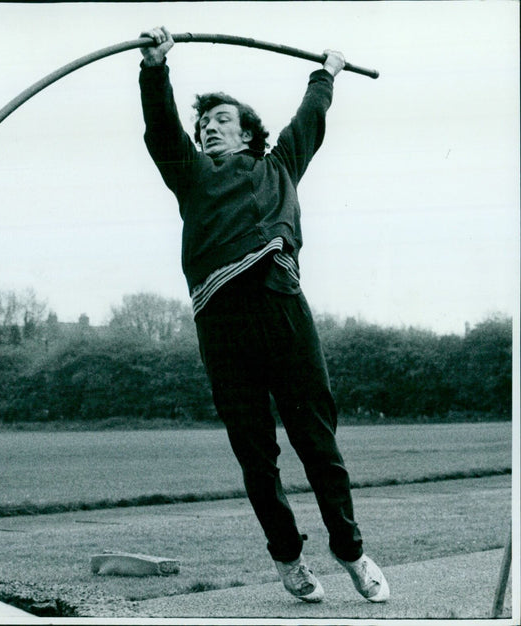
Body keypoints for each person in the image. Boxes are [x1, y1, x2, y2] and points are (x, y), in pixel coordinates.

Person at [138, 26, 389, 604]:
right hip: (222, 324)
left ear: (248, 132)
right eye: (203, 126)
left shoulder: (280, 166)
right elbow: (161, 130)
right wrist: (155, 67)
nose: (207, 129)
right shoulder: (192, 175)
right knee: (257, 456)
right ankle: (288, 558)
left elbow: (311, 119)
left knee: (318, 444)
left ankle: (349, 550)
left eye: (221, 121)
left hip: (282, 310)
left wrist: (326, 73)